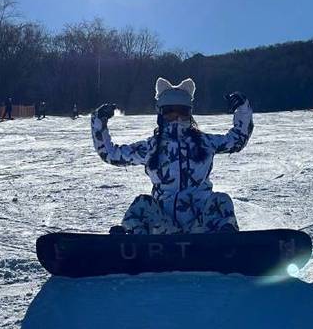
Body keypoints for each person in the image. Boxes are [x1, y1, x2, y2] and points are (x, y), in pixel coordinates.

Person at [92, 77, 253, 235]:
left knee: (221, 200)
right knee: (142, 203)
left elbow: (237, 140)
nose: (176, 116)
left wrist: (243, 109)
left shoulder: (205, 143)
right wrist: (99, 120)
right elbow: (111, 154)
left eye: (182, 111)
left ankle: (226, 240)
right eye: (169, 111)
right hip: (163, 228)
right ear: (160, 113)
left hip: (202, 227)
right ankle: (132, 241)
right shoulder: (151, 147)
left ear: (189, 113)